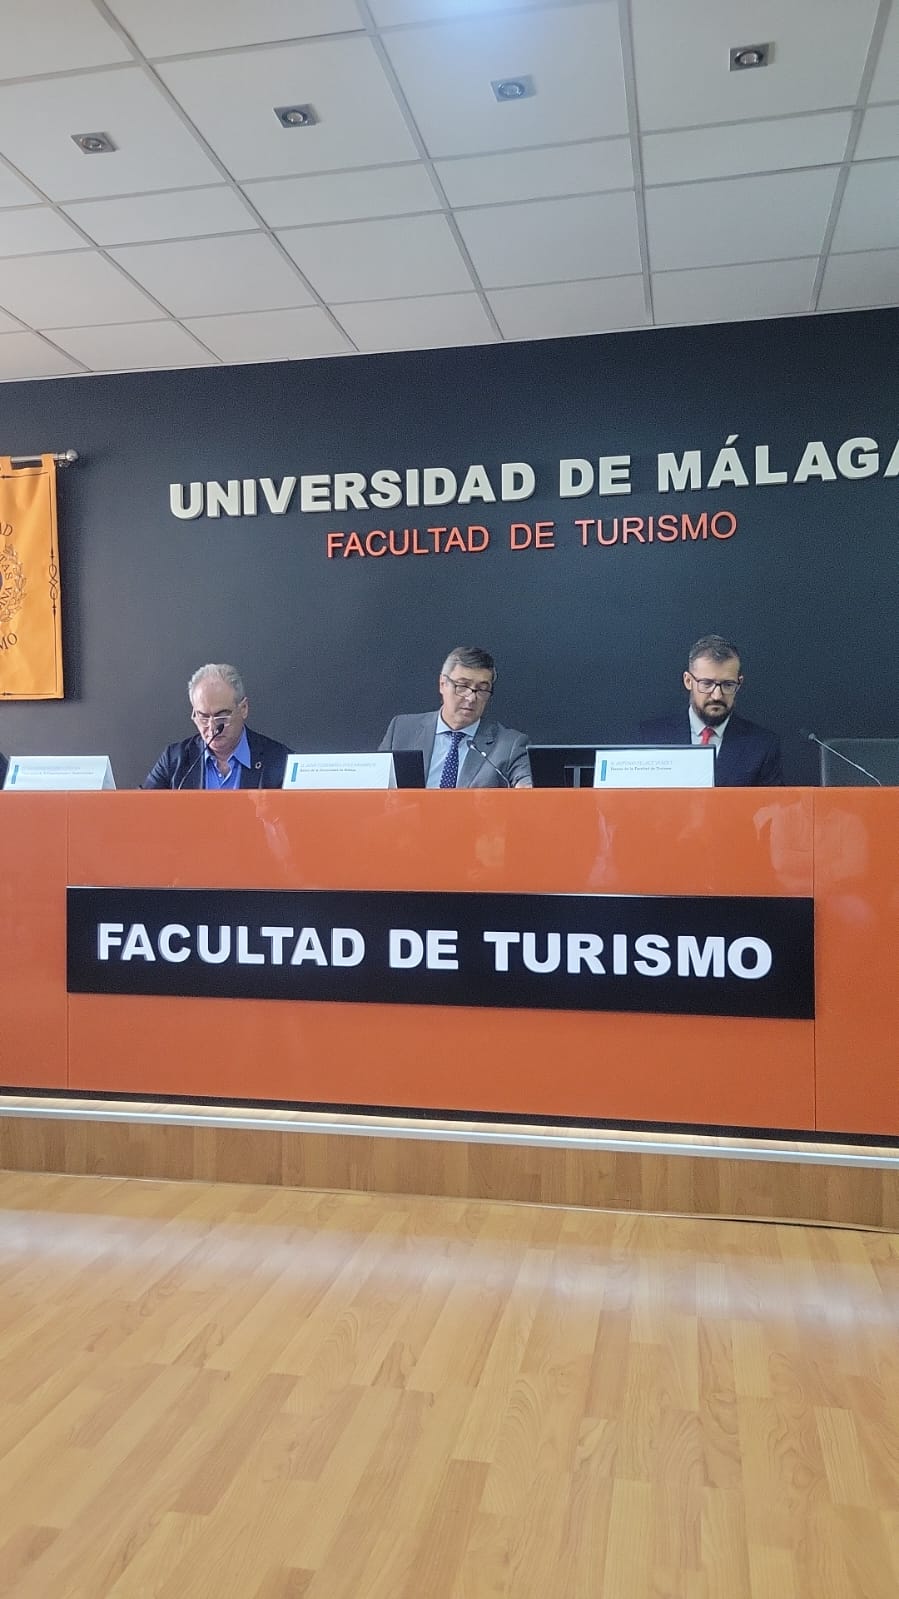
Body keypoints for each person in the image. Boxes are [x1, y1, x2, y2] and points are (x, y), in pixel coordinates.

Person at [637, 634, 783, 786]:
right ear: (688, 681)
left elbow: (772, 801)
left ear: (739, 684)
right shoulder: (650, 738)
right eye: (707, 684)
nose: (717, 695)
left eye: (728, 685)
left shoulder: (762, 746)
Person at [379, 646, 532, 788]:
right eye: (463, 686)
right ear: (442, 684)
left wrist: (525, 788)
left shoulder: (509, 745)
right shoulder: (402, 730)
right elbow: (377, 783)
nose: (471, 698)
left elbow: (527, 785)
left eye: (482, 689)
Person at [143, 663, 291, 789]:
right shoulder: (174, 760)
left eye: (222, 716)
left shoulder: (281, 761)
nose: (212, 727)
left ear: (243, 708)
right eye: (203, 716)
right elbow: (141, 807)